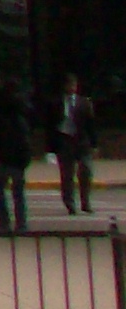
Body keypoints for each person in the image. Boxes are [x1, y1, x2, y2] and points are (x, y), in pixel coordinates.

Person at [0, 79, 34, 231]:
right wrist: (26, 157)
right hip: (17, 159)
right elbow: (25, 139)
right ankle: (21, 222)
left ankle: (4, 222)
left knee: (0, 189)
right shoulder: (21, 116)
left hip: (3, 156)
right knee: (18, 192)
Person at [54, 74, 97, 214]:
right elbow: (50, 125)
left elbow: (91, 124)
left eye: (74, 85)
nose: (72, 88)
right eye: (69, 85)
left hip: (82, 142)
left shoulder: (84, 103)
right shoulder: (57, 103)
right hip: (65, 141)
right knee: (67, 175)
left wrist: (94, 144)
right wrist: (51, 147)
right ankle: (70, 203)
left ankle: (86, 202)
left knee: (86, 171)